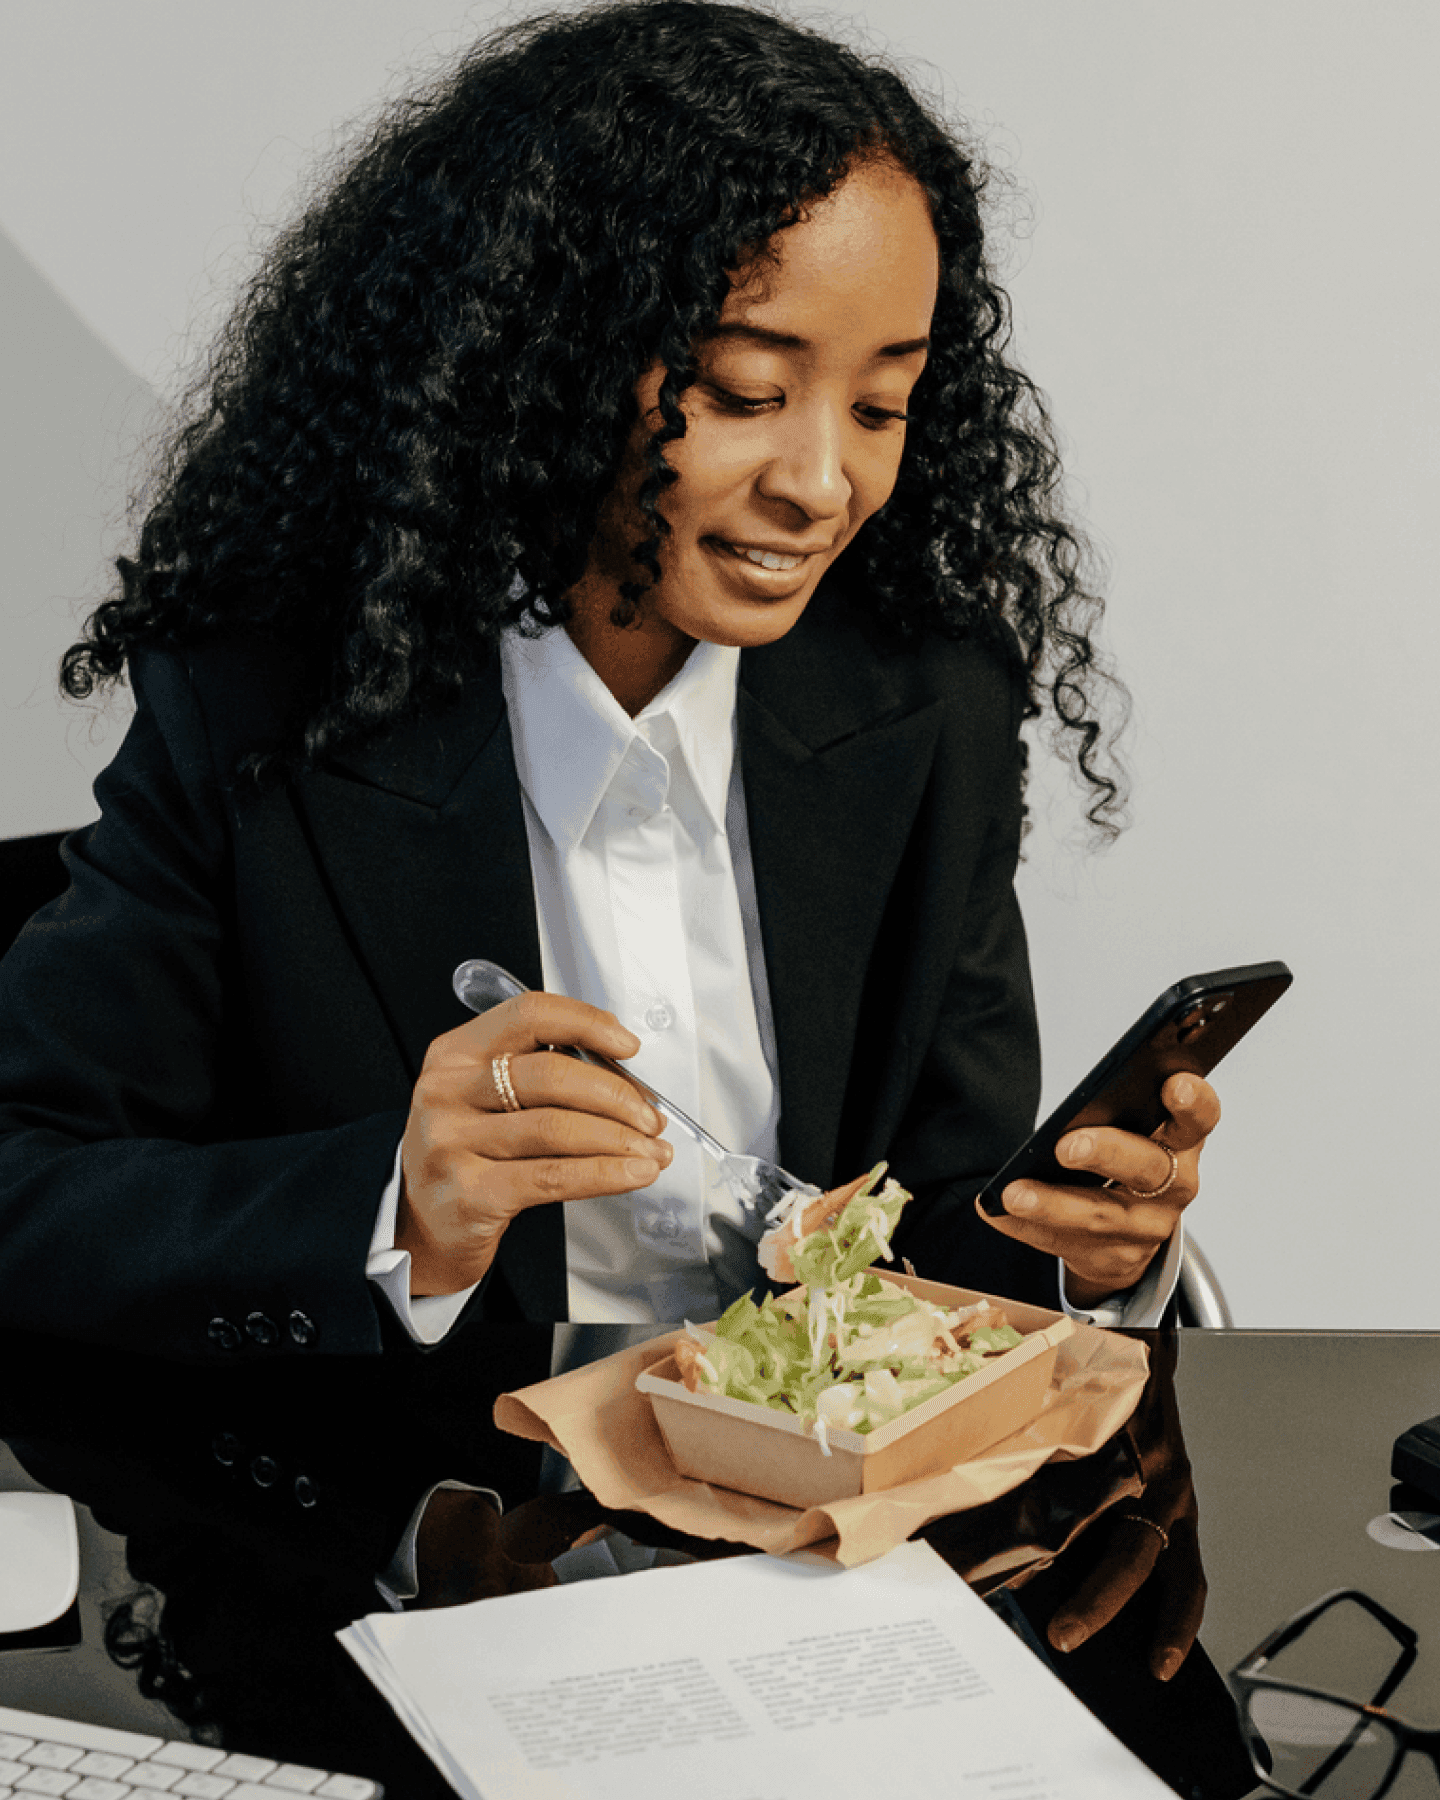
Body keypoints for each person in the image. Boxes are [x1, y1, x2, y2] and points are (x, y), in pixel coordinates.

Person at [0, 0, 1216, 1360]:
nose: (824, 483)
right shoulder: (260, 713)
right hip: (416, 1541)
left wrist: (1073, 1250)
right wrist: (397, 1203)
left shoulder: (929, 707)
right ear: (550, 367)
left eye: (881, 407)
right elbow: (26, 1197)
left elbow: (939, 1229)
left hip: (826, 1540)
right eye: (748, 393)